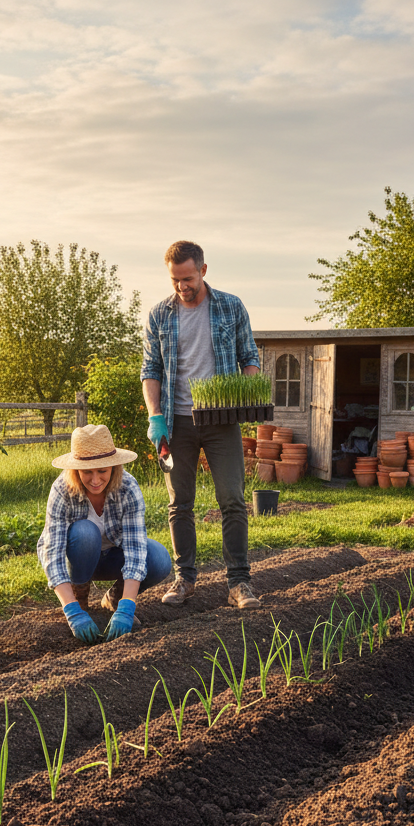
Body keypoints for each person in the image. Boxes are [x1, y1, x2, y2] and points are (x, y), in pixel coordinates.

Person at [140, 240, 262, 609]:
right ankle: (185, 580)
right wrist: (155, 416)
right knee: (180, 503)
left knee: (233, 500)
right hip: (176, 423)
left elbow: (249, 357)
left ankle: (239, 583)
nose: (182, 286)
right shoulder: (159, 315)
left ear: (203, 271)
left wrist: (244, 394)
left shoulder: (230, 306)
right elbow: (150, 370)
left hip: (221, 419)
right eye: (175, 280)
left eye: (188, 278)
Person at [37, 424, 173, 643]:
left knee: (159, 559)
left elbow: (135, 549)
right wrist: (72, 610)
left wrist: (127, 606)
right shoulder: (62, 490)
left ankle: (116, 600)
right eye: (87, 472)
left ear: (114, 467)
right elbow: (52, 553)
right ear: (76, 469)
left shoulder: (127, 488)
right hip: (77, 560)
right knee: (85, 532)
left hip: (113, 558)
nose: (95, 480)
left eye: (102, 471)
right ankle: (80, 602)